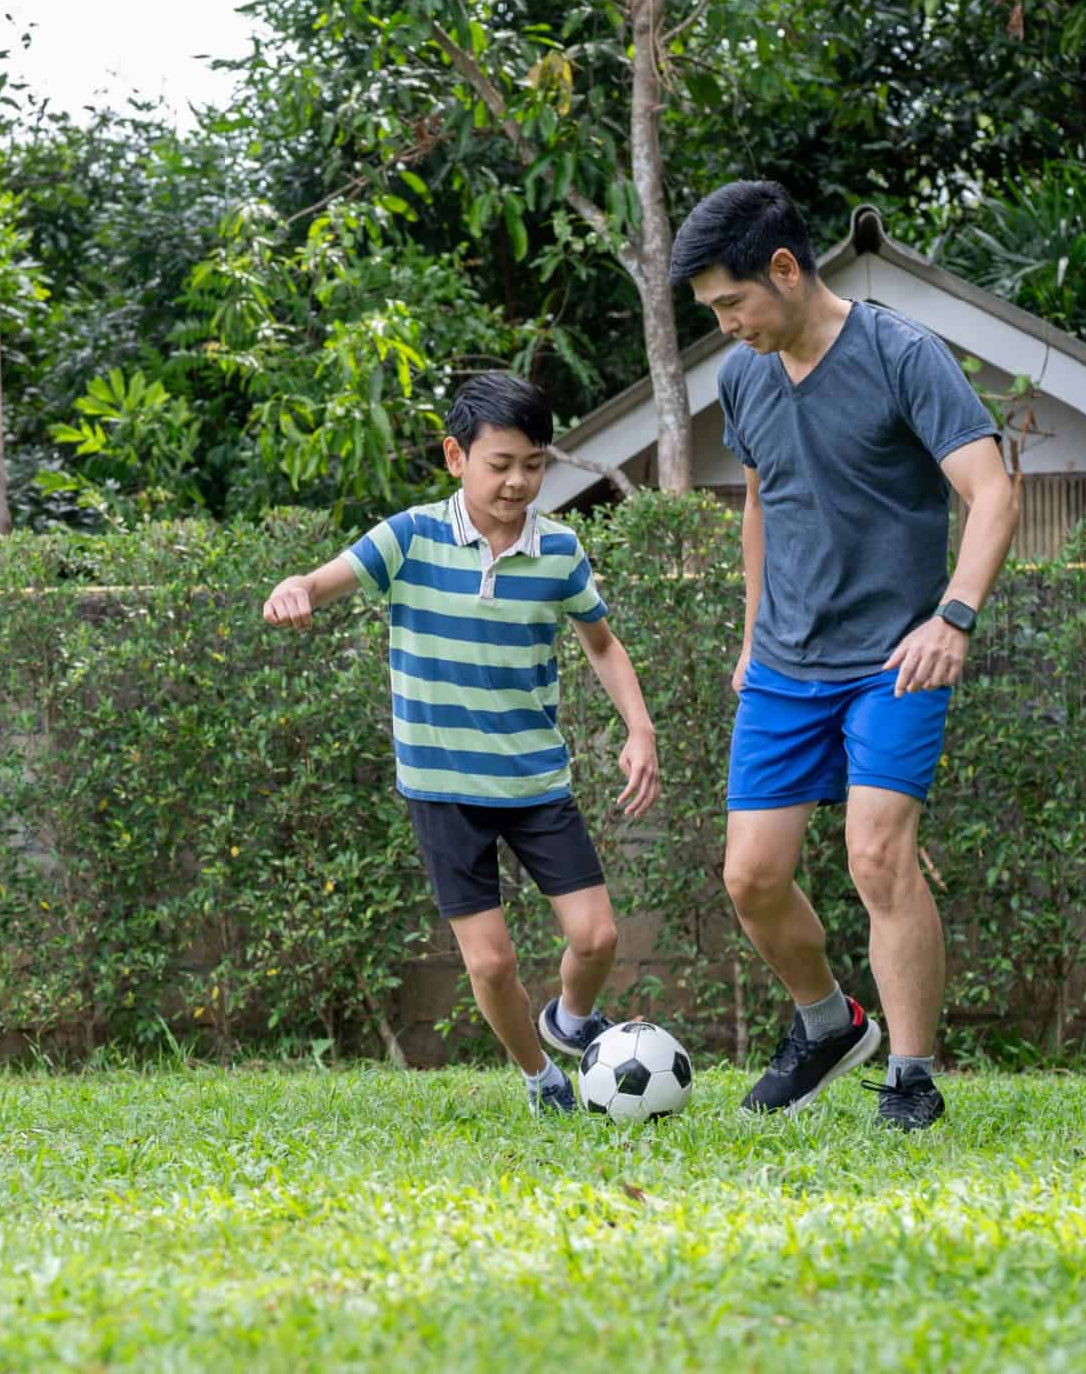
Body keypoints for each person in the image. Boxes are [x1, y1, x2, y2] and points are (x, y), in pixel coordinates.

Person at [671, 180, 1020, 1131]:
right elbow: (761, 503)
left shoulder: (901, 355)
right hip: (785, 664)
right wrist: (750, 636)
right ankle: (829, 1024)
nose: (728, 325)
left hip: (891, 660)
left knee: (876, 855)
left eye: (732, 303)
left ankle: (911, 1078)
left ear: (784, 269)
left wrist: (952, 618)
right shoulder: (743, 377)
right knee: (751, 877)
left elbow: (991, 492)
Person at [260, 373, 661, 1114]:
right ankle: (542, 1079)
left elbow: (602, 645)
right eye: (499, 464)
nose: (517, 482)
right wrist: (296, 591)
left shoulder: (560, 552)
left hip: (536, 783)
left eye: (533, 465)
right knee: (492, 960)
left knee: (598, 936)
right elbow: (323, 582)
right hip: (444, 790)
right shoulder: (409, 538)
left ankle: (571, 1021)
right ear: (456, 457)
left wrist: (639, 728)